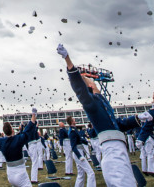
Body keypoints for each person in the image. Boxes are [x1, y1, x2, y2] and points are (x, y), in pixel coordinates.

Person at [58, 44, 140, 187]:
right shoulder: (92, 103)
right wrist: (68, 60)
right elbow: (79, 88)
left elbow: (117, 124)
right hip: (112, 151)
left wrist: (139, 119)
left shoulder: (103, 102)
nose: (94, 82)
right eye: (92, 81)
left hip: (119, 149)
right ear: (90, 87)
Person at [0, 110, 38, 187]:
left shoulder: (1, 142)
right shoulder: (18, 139)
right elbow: (28, 130)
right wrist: (33, 115)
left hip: (10, 174)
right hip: (20, 173)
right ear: (12, 129)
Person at [68, 119, 96, 187]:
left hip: (79, 152)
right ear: (72, 121)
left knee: (81, 174)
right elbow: (73, 146)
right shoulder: (72, 131)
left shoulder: (74, 129)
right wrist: (79, 156)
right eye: (74, 120)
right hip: (78, 153)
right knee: (91, 173)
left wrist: (86, 143)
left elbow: (79, 139)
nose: (75, 121)